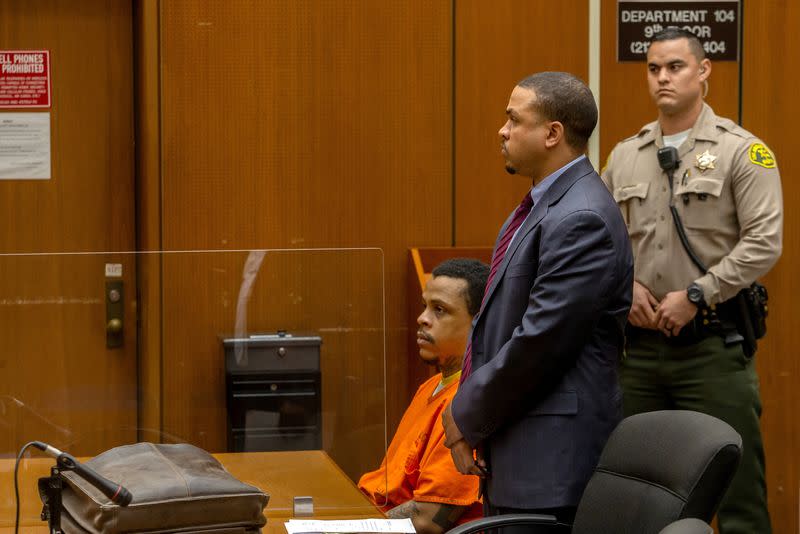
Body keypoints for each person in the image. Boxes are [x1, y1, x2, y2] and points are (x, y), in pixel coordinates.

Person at [601, 28, 782, 534]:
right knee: (635, 487)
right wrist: (626, 287)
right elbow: (603, 242)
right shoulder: (624, 155)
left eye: (675, 66)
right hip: (638, 351)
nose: (662, 77)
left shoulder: (742, 152)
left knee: (739, 492)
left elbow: (764, 243)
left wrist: (699, 292)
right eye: (654, 68)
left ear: (704, 71)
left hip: (713, 349)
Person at [441, 72, 633, 531]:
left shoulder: (581, 216)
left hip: (550, 461)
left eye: (514, 119)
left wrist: (465, 412)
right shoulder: (545, 204)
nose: (502, 131)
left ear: (552, 134)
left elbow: (541, 343)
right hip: (522, 445)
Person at [358, 258, 489, 534]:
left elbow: (425, 520)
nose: (422, 319)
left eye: (439, 310)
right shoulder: (429, 387)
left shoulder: (473, 402)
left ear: (479, 323)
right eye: (425, 306)